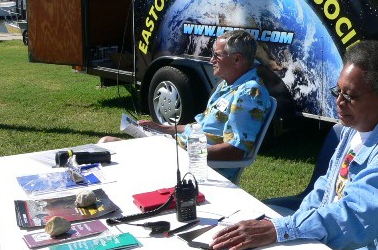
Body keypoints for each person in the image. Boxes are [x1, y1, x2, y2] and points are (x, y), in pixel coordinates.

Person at [210, 40, 378, 250]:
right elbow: (326, 189)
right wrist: (289, 227)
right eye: (338, 91)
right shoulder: (352, 129)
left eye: (350, 96)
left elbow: (354, 218)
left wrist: (282, 230)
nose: (338, 102)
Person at [99, 30, 271, 180]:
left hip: (195, 167)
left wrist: (181, 153)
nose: (211, 60)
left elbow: (235, 151)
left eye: (217, 55)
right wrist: (161, 128)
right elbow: (201, 127)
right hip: (178, 151)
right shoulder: (227, 85)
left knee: (108, 147)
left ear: (236, 59)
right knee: (107, 144)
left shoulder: (249, 94)